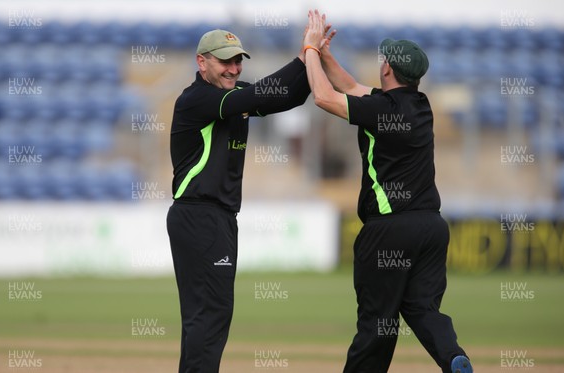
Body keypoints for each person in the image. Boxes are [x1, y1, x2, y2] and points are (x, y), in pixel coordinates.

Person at [302, 10, 473, 373]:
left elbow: (323, 96)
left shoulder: (381, 109)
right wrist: (327, 56)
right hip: (431, 227)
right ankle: (454, 358)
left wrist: (310, 50)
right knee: (422, 308)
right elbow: (350, 88)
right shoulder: (419, 106)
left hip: (390, 229)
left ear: (387, 70)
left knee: (377, 323)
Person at [166, 29, 310, 372]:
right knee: (210, 313)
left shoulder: (233, 96)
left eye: (237, 61)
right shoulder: (197, 99)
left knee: (208, 314)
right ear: (201, 62)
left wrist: (314, 59)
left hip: (217, 219)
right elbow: (255, 97)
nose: (233, 68)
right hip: (199, 216)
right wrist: (302, 58)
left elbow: (288, 96)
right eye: (224, 61)